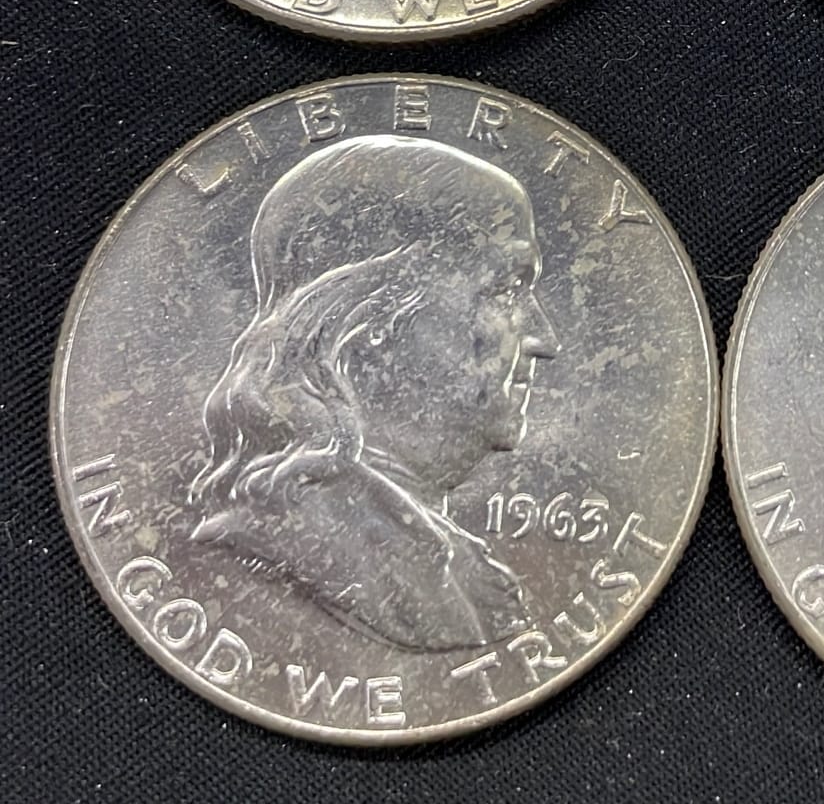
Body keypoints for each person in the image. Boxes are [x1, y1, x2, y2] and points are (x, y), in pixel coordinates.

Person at [189, 136, 560, 653]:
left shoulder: (453, 563)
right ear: (368, 323)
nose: (546, 339)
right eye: (505, 290)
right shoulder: (287, 547)